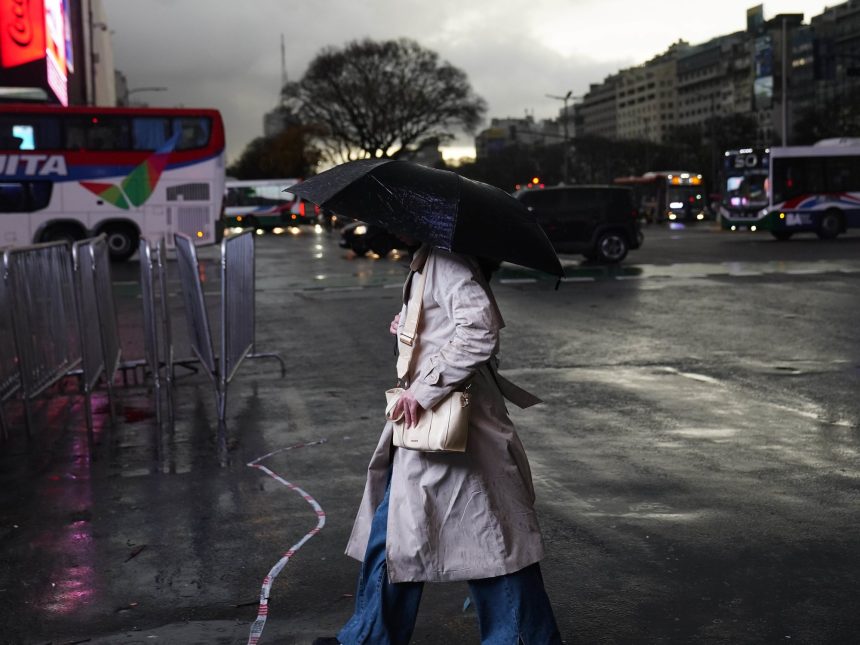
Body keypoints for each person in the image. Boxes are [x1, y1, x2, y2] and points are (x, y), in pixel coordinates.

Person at [315, 243, 562, 645]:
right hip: (441, 424)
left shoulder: (447, 259)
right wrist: (412, 325)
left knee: (488, 540)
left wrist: (425, 389)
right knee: (418, 534)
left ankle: (519, 638)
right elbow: (454, 327)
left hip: (454, 425)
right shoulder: (434, 258)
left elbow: (480, 331)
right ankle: (369, 637)